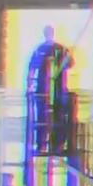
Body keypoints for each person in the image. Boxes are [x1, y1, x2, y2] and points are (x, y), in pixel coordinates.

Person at [27, 26, 73, 154]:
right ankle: (41, 145)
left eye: (50, 33)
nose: (48, 35)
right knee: (42, 118)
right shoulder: (40, 50)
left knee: (59, 117)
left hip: (59, 90)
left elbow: (70, 63)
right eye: (46, 33)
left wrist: (67, 59)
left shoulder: (61, 49)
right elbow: (32, 68)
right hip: (43, 90)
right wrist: (29, 85)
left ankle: (57, 145)